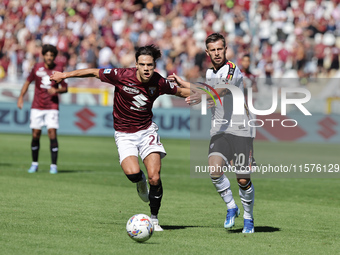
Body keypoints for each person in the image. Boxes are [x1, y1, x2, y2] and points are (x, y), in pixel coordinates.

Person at [50, 45, 190, 231]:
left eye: (150, 65)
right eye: (142, 64)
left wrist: (207, 97)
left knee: (155, 177)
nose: (146, 68)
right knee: (133, 174)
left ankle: (154, 219)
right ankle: (140, 182)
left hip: (147, 130)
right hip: (124, 134)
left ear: (154, 65)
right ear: (136, 64)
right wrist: (64, 75)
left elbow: (182, 92)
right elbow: (93, 72)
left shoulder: (159, 82)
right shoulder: (121, 75)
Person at [169, 33, 256, 233]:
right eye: (213, 50)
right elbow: (208, 88)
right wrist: (184, 84)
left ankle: (249, 218)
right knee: (215, 171)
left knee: (242, 179)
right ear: (207, 52)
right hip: (219, 129)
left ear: (226, 49)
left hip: (241, 128)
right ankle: (232, 207)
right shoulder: (210, 73)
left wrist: (200, 95)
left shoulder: (232, 69)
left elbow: (223, 89)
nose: (217, 53)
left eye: (220, 49)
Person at [17, 44, 68, 174]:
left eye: (51, 55)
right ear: (43, 55)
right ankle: (34, 164)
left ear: (54, 56)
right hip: (37, 106)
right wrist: (21, 97)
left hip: (52, 106)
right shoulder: (36, 67)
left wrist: (56, 90)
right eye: (47, 55)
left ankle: (53, 166)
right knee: (35, 134)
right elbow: (28, 82)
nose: (49, 57)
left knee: (52, 133)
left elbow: (65, 88)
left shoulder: (59, 69)